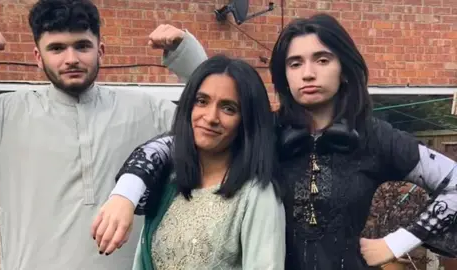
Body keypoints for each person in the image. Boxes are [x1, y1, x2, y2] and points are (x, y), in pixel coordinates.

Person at [93, 13, 457, 269]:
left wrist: (395, 243)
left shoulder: (374, 137)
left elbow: (453, 183)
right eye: (295, 63)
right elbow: (174, 142)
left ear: (343, 68)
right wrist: (124, 195)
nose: (308, 73)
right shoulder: (267, 131)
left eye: (322, 59)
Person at [0, 0, 207, 269]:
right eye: (57, 48)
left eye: (82, 46)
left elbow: (225, 123)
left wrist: (189, 58)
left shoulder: (147, 111)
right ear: (38, 57)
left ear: (101, 51)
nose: (71, 58)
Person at [131, 54, 285, 269]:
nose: (211, 117)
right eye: (202, 101)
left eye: (228, 108)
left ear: (247, 121)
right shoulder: (169, 183)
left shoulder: (256, 194)